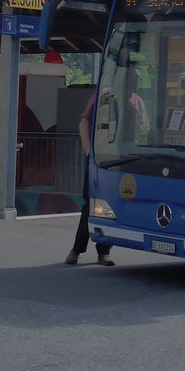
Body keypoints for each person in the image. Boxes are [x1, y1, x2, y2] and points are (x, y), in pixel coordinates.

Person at [66, 91, 116, 266]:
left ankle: (103, 252)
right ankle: (77, 249)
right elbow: (83, 123)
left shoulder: (135, 100)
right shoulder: (101, 96)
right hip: (99, 159)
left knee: (111, 205)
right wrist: (89, 153)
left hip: (120, 159)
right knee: (90, 203)